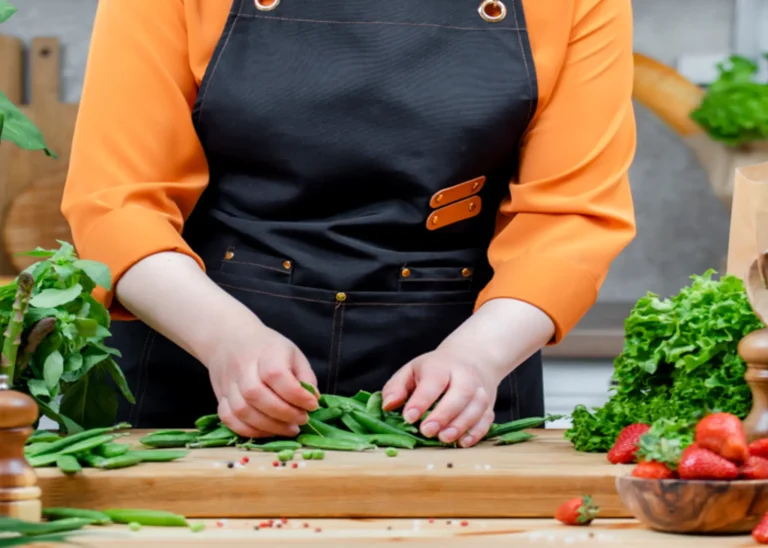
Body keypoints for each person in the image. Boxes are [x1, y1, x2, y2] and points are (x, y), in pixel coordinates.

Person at [61, 0, 636, 448]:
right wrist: (226, 339)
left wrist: (479, 357)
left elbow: (571, 217)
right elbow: (118, 202)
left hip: (451, 381)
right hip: (195, 359)